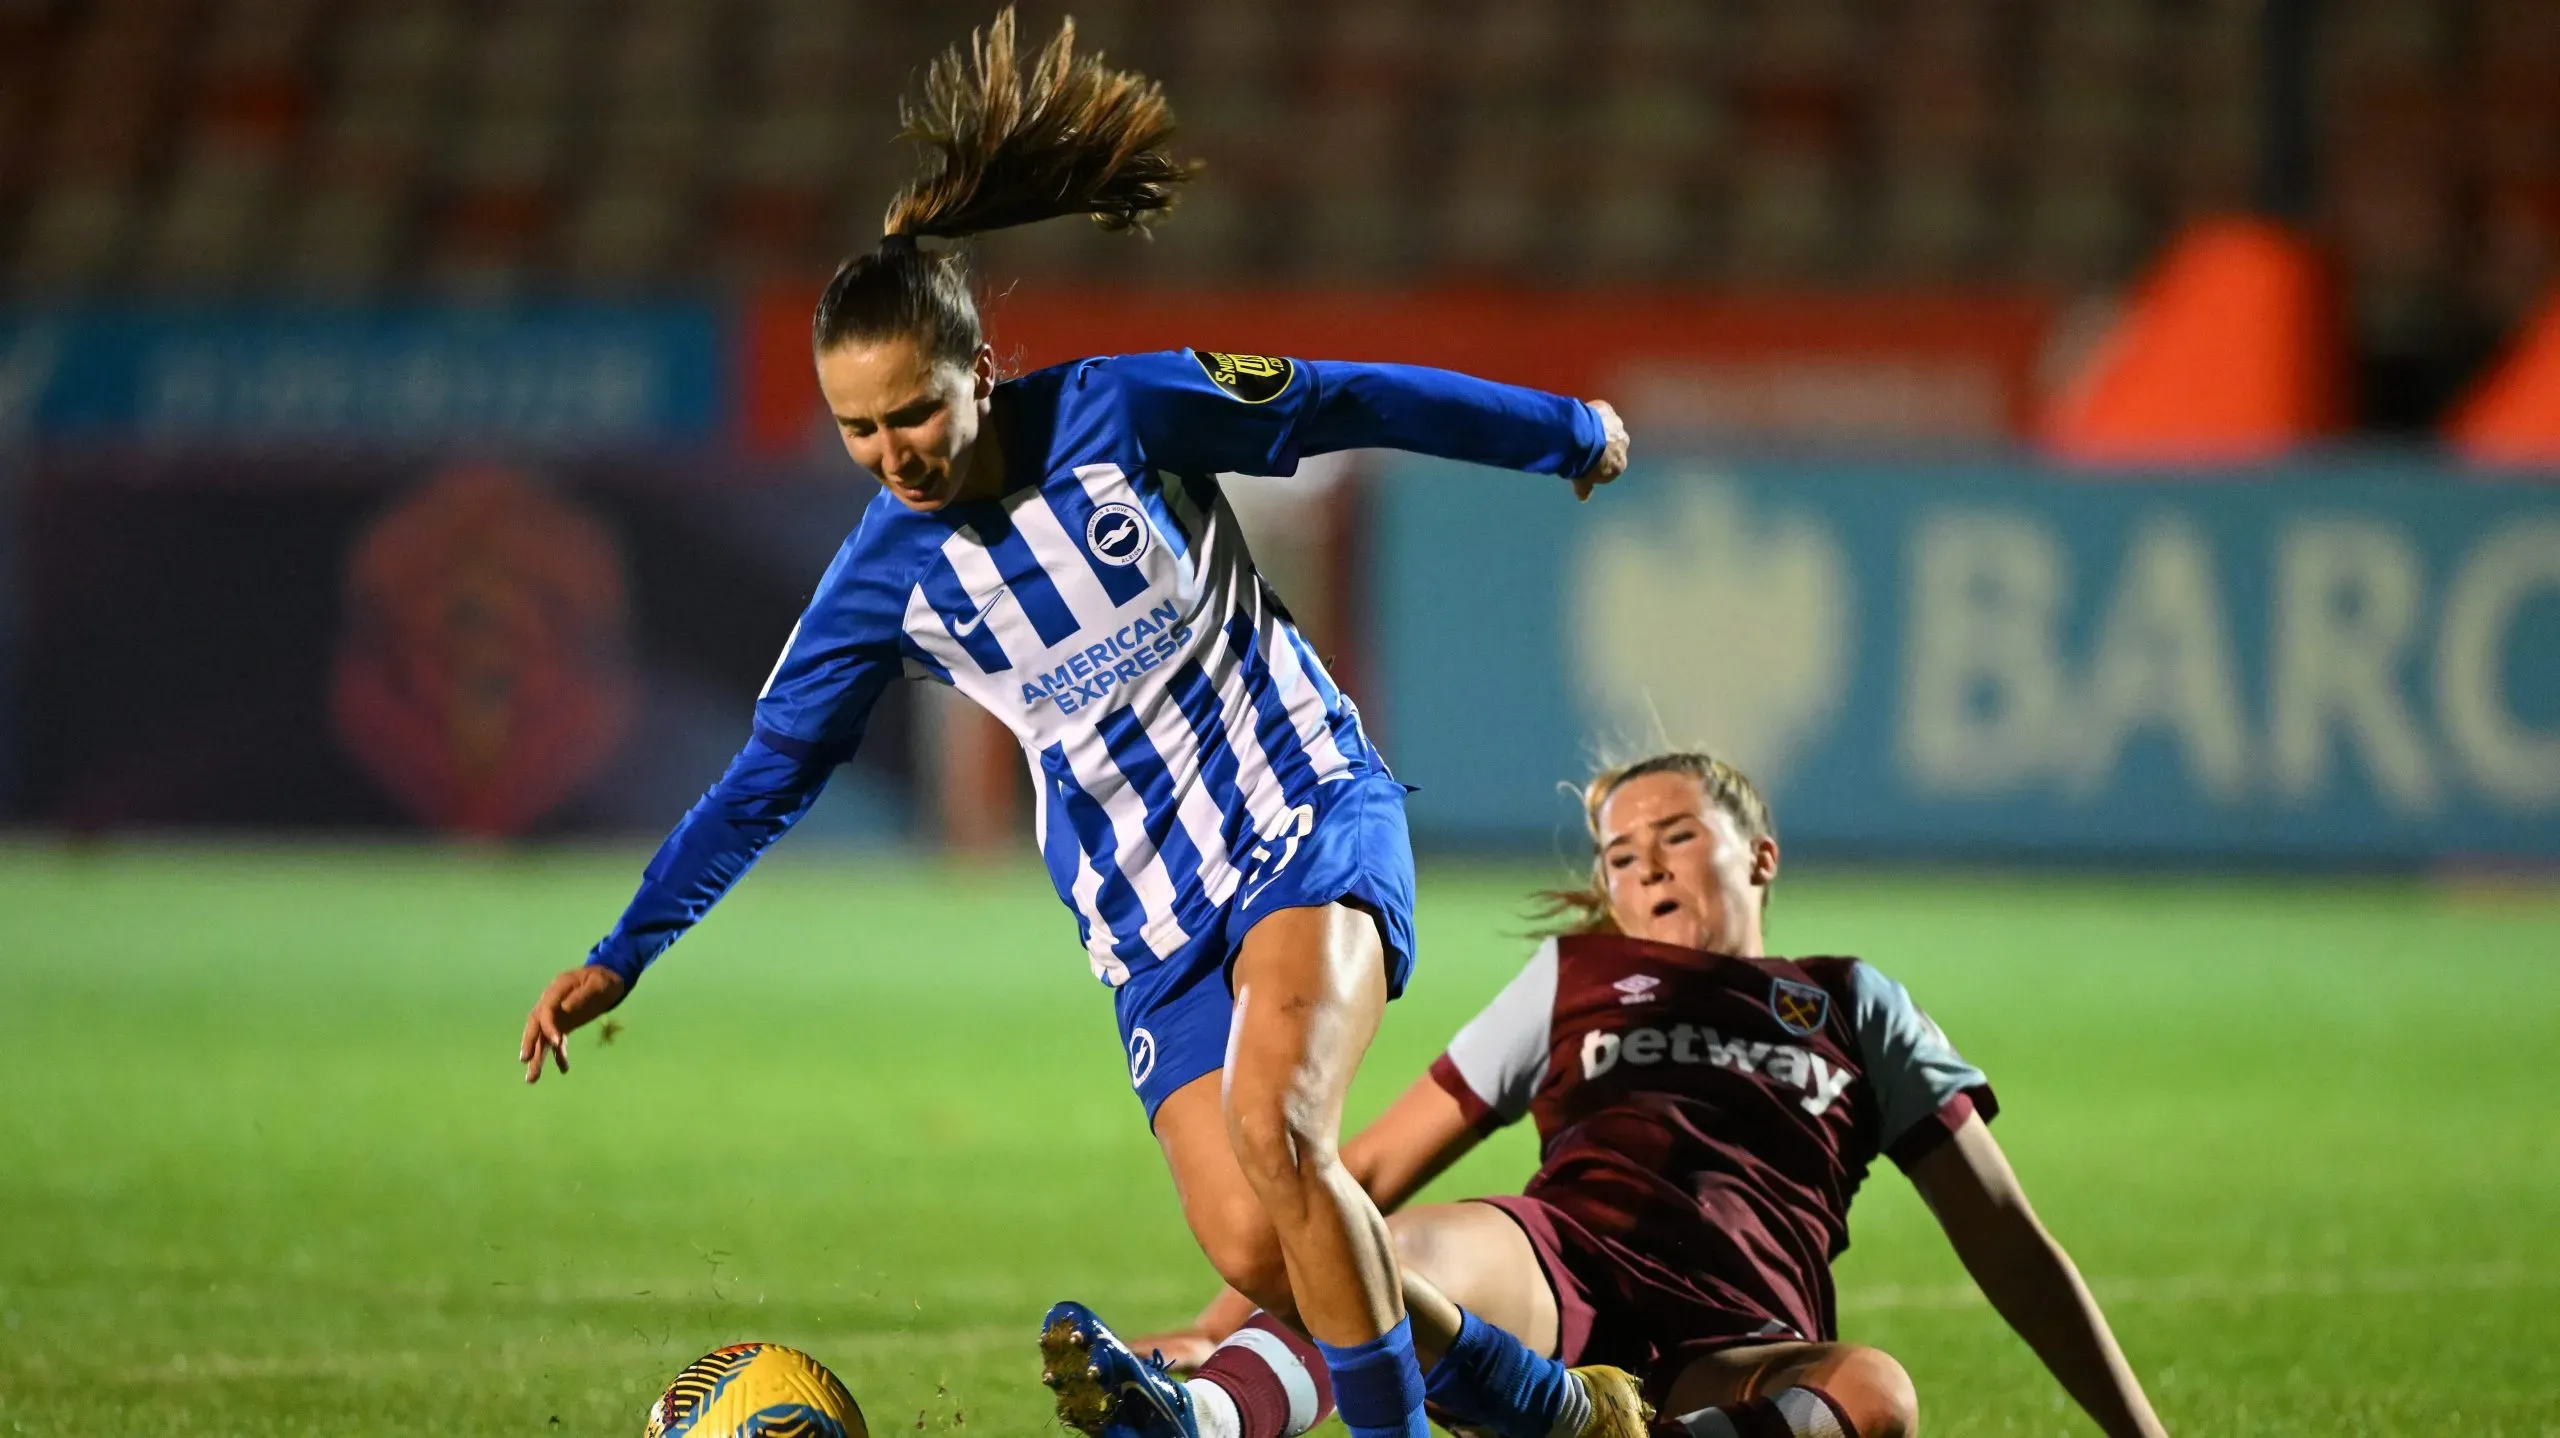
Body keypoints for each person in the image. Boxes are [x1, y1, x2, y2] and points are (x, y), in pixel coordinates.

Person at [511, 13, 1637, 1438]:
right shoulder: (880, 579)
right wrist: (627, 948)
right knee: (1261, 1242)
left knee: (1285, 1137)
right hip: (1146, 913)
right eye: (857, 430)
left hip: (1303, 812)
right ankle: (1545, 1409)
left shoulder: (1122, 408)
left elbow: (1347, 396)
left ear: (983, 368)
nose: (892, 453)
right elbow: (765, 778)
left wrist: (1563, 429)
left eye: (913, 410)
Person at [1116, 752, 2171, 1438]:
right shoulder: (1572, 977)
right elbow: (1368, 1169)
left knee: (1875, 1393)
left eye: (1675, 836)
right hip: (1554, 1270)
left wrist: (2139, 1431)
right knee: (1393, 1248)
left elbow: (2007, 1239)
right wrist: (1217, 1327)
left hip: (1740, 1338)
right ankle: (1206, 1411)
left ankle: (1591, 1427)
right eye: (1621, 855)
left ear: (1759, 856)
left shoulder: (1853, 1001)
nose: (1647, 869)